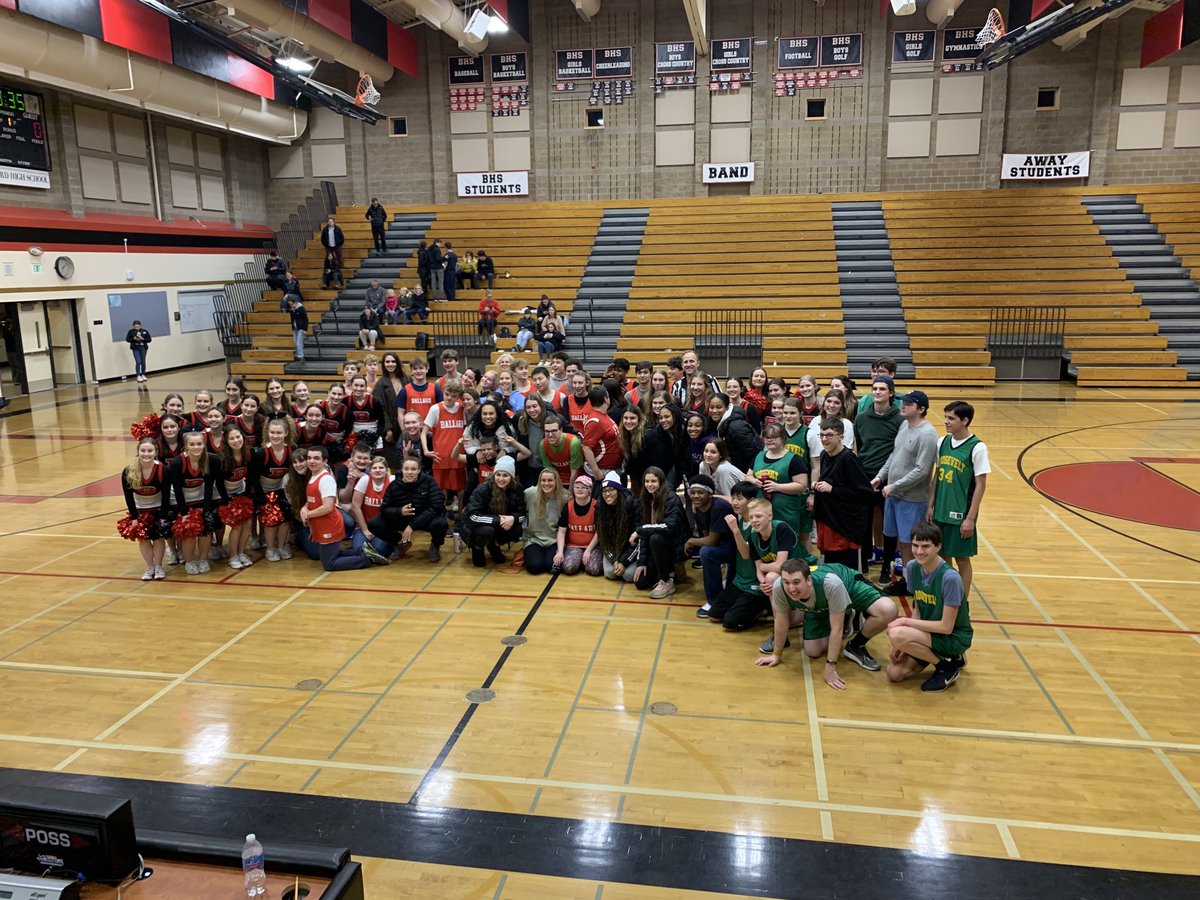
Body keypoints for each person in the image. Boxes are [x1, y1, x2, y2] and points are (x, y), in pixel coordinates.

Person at [756, 559, 898, 689]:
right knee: (813, 651)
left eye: (796, 582)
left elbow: (837, 629)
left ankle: (855, 645)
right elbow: (781, 622)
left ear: (809, 580)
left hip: (848, 586)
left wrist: (830, 667)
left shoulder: (831, 584)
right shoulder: (779, 587)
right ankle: (843, 613)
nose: (791, 588)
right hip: (819, 606)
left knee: (888, 610)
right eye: (787, 582)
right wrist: (776, 654)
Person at [886, 522, 972, 692]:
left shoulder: (950, 578)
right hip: (930, 634)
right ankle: (952, 659)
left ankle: (945, 667)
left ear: (938, 546)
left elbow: (946, 627)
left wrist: (905, 624)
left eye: (926, 546)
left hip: (954, 637)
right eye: (915, 545)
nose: (919, 551)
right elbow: (918, 611)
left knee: (896, 632)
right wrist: (903, 644)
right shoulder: (912, 567)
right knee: (894, 673)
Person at [872, 390, 939, 593]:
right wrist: (881, 476)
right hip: (894, 495)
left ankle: (913, 586)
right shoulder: (904, 425)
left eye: (908, 404)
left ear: (921, 409)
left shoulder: (927, 435)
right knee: (900, 541)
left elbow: (922, 470)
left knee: (911, 545)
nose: (903, 405)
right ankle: (909, 582)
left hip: (911, 499)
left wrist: (894, 486)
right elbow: (895, 453)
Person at [929, 401, 990, 600]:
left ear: (965, 421)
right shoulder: (942, 442)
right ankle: (947, 597)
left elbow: (980, 485)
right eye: (946, 417)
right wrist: (930, 506)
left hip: (960, 514)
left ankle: (961, 602)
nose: (946, 422)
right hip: (940, 511)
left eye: (951, 418)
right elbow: (936, 477)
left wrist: (970, 518)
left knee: (962, 559)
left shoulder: (977, 447)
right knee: (943, 556)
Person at [301, 445, 387, 570]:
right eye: (309, 458)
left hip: (329, 525)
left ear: (324, 461)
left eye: (316, 458)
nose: (311, 461)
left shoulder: (325, 479)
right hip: (320, 524)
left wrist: (308, 514)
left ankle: (366, 559)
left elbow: (328, 507)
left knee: (329, 564)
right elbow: (313, 501)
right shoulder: (313, 476)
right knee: (328, 556)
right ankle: (364, 553)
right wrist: (305, 509)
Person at [810, 418, 874, 570]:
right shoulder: (824, 455)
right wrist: (817, 486)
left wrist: (832, 489)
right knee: (830, 566)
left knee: (847, 570)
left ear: (841, 437)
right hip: (828, 519)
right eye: (822, 435)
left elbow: (865, 492)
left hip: (846, 526)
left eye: (829, 435)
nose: (825, 439)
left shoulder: (849, 458)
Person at [856, 375, 903, 569]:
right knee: (865, 519)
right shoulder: (861, 418)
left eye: (882, 389)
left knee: (889, 521)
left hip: (889, 476)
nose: (877, 392)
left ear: (890, 393)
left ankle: (889, 560)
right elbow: (859, 445)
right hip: (865, 475)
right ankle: (866, 557)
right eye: (875, 388)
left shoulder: (900, 420)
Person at [374, 455, 449, 561]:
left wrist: (412, 525)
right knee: (374, 523)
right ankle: (399, 543)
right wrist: (399, 511)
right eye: (406, 469)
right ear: (402, 470)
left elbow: (437, 506)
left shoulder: (429, 481)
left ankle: (435, 546)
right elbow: (384, 508)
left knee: (441, 523)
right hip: (402, 518)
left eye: (413, 469)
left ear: (419, 470)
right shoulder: (394, 485)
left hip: (425, 518)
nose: (409, 472)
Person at [684, 474, 736, 619]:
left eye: (701, 492)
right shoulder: (699, 509)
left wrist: (690, 541)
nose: (696, 496)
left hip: (737, 546)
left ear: (710, 494)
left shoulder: (718, 507)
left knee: (706, 552)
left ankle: (714, 600)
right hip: (723, 543)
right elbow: (706, 536)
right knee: (705, 551)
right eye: (693, 493)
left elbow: (711, 541)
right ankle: (720, 588)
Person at [461, 455, 525, 567]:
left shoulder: (517, 489)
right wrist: (498, 520)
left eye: (505, 475)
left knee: (518, 528)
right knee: (487, 531)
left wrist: (513, 518)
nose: (501, 478)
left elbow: (523, 514)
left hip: (498, 523)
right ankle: (477, 547)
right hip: (475, 526)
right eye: (498, 475)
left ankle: (494, 544)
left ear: (512, 477)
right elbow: (472, 516)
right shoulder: (483, 489)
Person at [633, 466, 685, 598]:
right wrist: (642, 562)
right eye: (647, 481)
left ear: (661, 482)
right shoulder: (645, 499)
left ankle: (666, 580)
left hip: (673, 546)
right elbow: (644, 531)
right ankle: (666, 572)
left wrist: (640, 531)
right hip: (654, 547)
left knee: (655, 537)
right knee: (640, 583)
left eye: (653, 481)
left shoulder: (671, 498)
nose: (649, 485)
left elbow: (669, 527)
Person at [122, 438, 170, 580]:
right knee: (143, 540)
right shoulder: (128, 471)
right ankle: (150, 567)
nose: (146, 454)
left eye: (150, 451)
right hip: (140, 511)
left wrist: (162, 516)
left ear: (156, 452)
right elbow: (128, 497)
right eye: (143, 450)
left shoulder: (163, 470)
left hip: (158, 509)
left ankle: (159, 566)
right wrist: (134, 517)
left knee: (158, 538)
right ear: (138, 451)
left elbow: (166, 496)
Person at [594, 471, 641, 581]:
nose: (607, 494)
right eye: (604, 491)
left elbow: (638, 539)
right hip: (612, 548)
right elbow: (602, 539)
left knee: (628, 576)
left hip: (630, 548)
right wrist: (614, 559)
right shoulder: (599, 508)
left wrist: (624, 562)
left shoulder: (633, 506)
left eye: (611, 490)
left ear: (619, 490)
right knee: (610, 573)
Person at [555, 474, 601, 575]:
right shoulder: (568, 506)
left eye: (584, 487)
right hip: (574, 546)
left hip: (593, 547)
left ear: (590, 490)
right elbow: (561, 532)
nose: (579, 490)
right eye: (577, 487)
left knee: (594, 570)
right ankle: (579, 560)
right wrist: (560, 551)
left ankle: (583, 559)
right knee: (568, 568)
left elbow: (599, 533)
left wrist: (588, 551)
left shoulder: (597, 506)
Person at [523, 468, 567, 574]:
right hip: (533, 539)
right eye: (543, 480)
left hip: (554, 539)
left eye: (550, 480)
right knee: (535, 567)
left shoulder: (565, 497)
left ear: (556, 481)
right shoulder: (529, 494)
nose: (546, 483)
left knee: (551, 566)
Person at [539, 417, 584, 487]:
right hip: (557, 481)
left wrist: (570, 492)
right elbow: (549, 471)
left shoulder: (573, 442)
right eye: (547, 431)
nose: (550, 435)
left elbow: (575, 471)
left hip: (576, 481)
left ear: (561, 430)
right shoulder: (543, 444)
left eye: (554, 431)